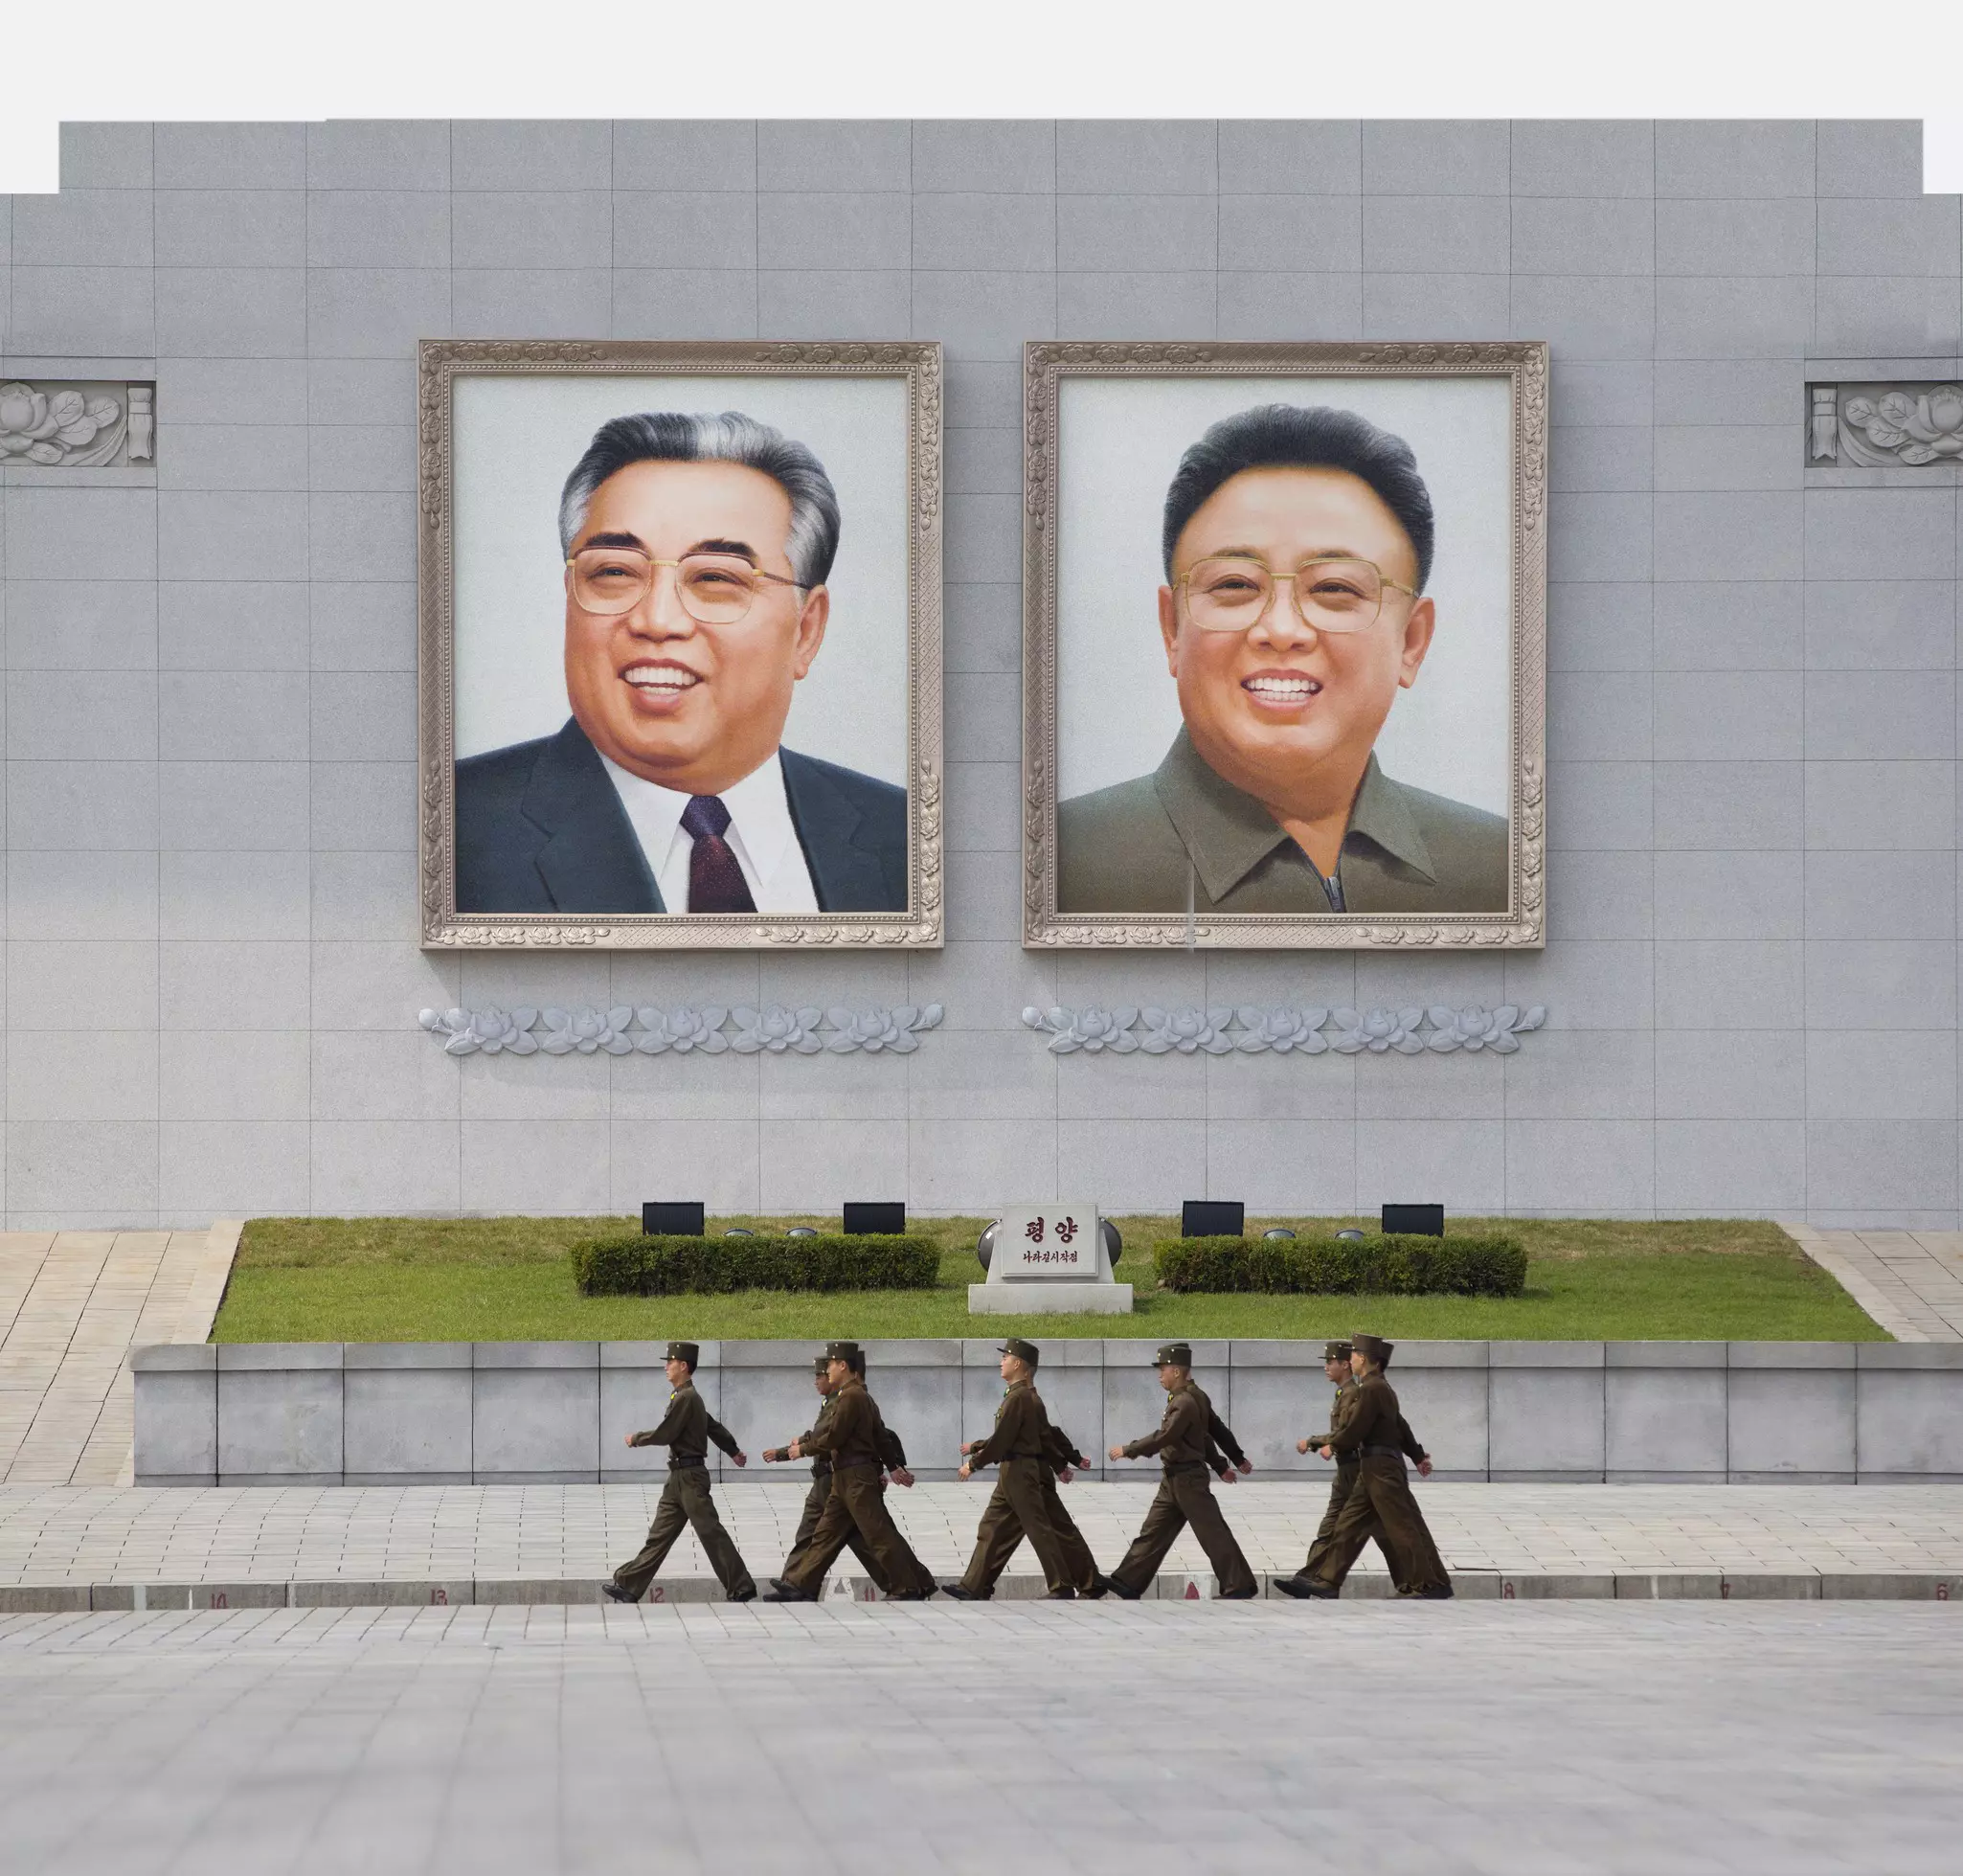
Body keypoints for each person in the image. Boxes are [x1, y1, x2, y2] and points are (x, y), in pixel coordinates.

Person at [1058, 403, 1507, 917]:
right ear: (1172, 629)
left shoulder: (1499, 870)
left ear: (1411, 642)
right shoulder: (1064, 865)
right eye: (1235, 584)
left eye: (1334, 588)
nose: (1282, 630)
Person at [456, 409, 908, 915]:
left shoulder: (905, 838)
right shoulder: (451, 830)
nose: (657, 620)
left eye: (715, 578)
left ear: (806, 631)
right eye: (614, 572)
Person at [763, 1342, 938, 1601]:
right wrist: (893, 1468)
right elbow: (881, 1438)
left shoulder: (852, 1396)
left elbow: (835, 1436)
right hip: (844, 1479)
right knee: (825, 1535)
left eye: (831, 1365)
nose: (828, 1370)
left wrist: (803, 1449)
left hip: (856, 1478)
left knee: (878, 1535)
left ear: (843, 1366)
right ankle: (801, 1585)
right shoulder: (855, 1395)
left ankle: (907, 1587)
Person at [1296, 1333, 1452, 1599]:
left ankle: (1429, 1584)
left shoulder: (1372, 1389)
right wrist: (1417, 1456)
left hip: (1381, 1470)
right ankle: (1328, 1581)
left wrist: (1334, 1445)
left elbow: (1357, 1427)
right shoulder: (1379, 1388)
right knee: (1347, 1525)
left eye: (1354, 1355)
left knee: (1402, 1528)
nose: (1351, 1359)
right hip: (1372, 1468)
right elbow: (1401, 1426)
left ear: (1365, 1359)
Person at [603, 1341, 756, 1604]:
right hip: (678, 1478)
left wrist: (637, 1438)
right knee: (659, 1535)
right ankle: (629, 1585)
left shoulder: (687, 1398)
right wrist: (733, 1450)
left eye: (670, 1363)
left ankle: (741, 1586)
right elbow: (712, 1426)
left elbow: (667, 1433)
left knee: (710, 1533)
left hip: (690, 1478)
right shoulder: (685, 1397)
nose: (666, 1367)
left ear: (683, 1366)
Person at [1103, 1343, 1258, 1600]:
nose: (1159, 1375)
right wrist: (1226, 1464)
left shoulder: (1185, 1402)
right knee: (1154, 1531)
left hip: (1188, 1479)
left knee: (1212, 1533)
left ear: (1176, 1371)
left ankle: (1238, 1584)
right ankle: (1128, 1581)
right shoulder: (1194, 1396)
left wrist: (1129, 1449)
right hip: (1174, 1479)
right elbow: (1208, 1434)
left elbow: (1166, 1436)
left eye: (1162, 1370)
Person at [945, 1339, 1084, 1601]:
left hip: (1021, 1471)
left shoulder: (1019, 1398)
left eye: (1005, 1358)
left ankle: (1062, 1585)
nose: (1001, 1362)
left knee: (1038, 1529)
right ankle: (975, 1586)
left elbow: (1003, 1440)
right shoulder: (1016, 1396)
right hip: (1012, 1471)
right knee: (991, 1528)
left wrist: (973, 1464)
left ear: (1018, 1363)